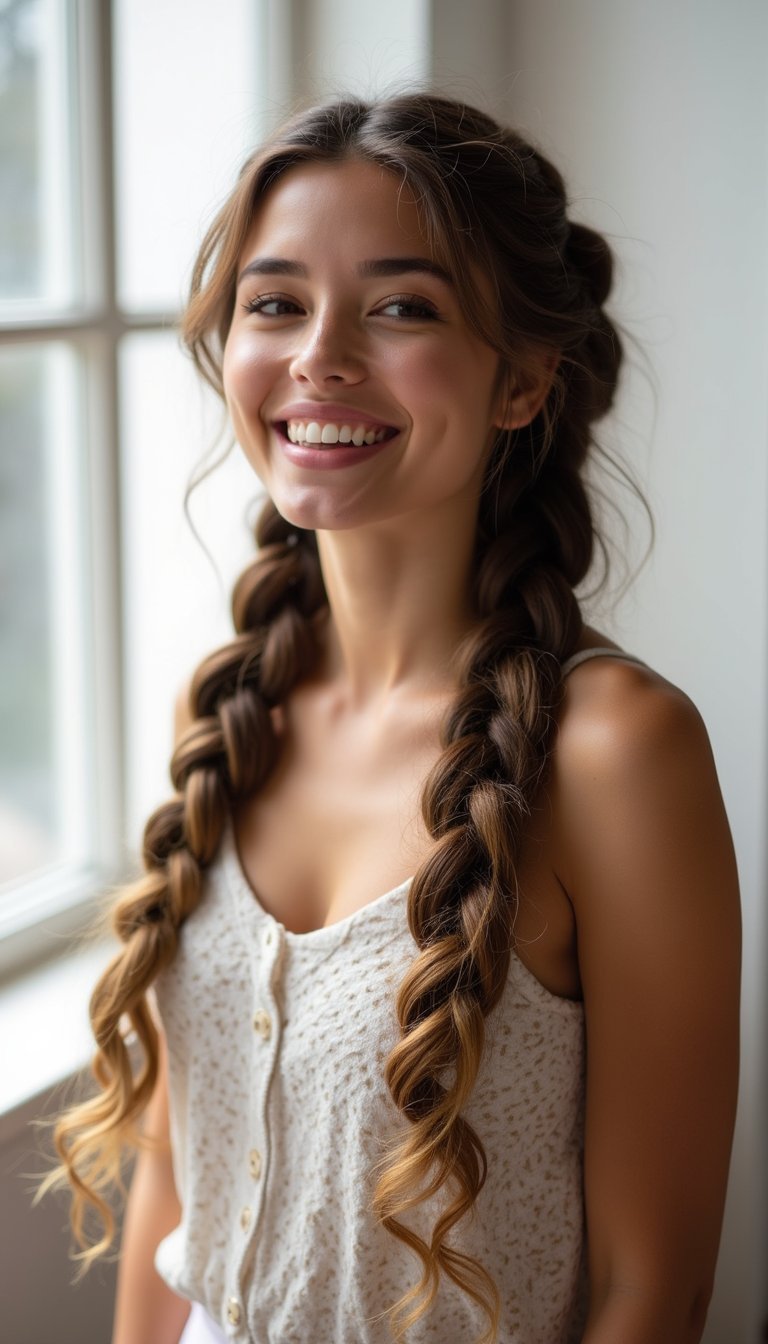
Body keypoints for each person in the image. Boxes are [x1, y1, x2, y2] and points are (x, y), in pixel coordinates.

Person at [46, 93, 740, 1344]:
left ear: (526, 379)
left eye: (402, 306)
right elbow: (178, 1179)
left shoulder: (616, 753)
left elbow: (655, 1290)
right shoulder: (227, 708)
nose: (319, 355)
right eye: (275, 303)